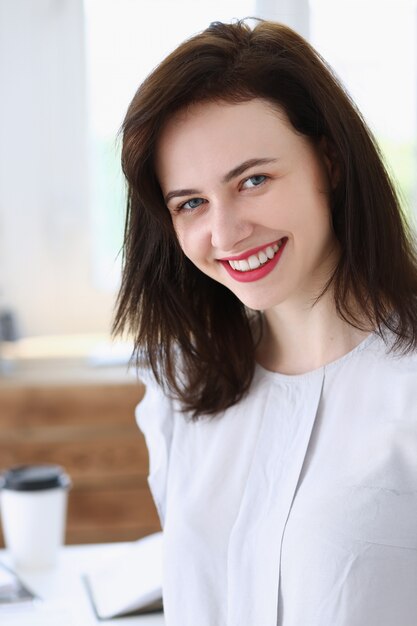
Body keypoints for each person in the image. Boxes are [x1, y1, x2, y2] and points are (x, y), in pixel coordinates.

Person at [113, 19, 417, 626]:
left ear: (328, 162)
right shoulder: (182, 385)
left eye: (253, 180)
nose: (224, 233)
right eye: (191, 202)